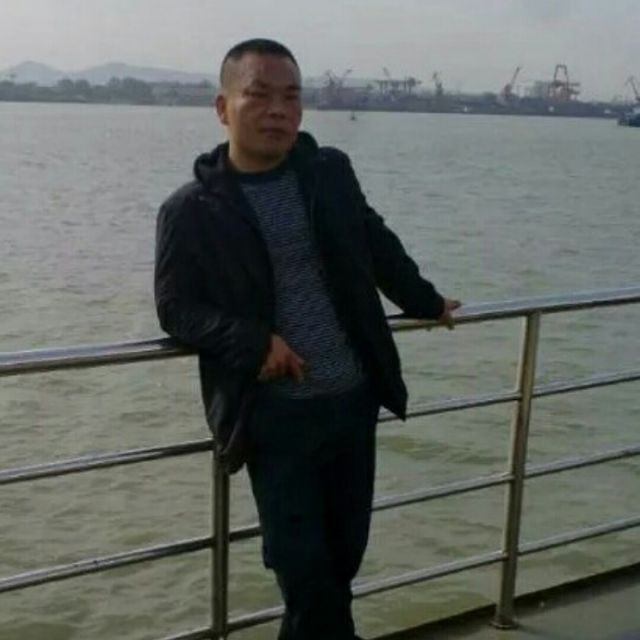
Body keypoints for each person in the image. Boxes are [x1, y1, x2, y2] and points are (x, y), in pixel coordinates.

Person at [154, 38, 461, 640]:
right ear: (222, 108)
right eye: (259, 95)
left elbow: (374, 243)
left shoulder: (328, 173)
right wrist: (252, 341)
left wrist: (426, 301)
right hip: (274, 418)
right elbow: (175, 308)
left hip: (352, 403)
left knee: (339, 566)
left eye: (291, 97)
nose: (278, 111)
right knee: (305, 576)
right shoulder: (193, 209)